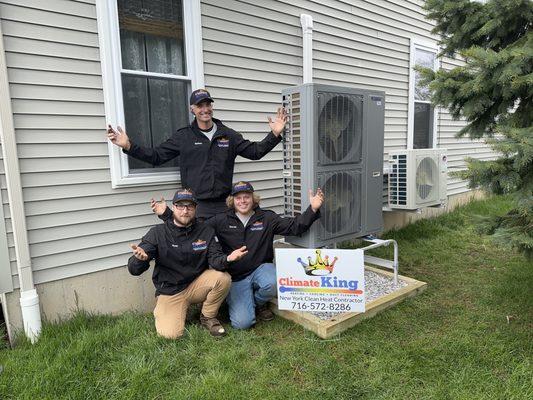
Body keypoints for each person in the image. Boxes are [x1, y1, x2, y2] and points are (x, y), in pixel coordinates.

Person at [152, 182, 324, 330]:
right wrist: (167, 214)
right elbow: (193, 226)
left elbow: (294, 227)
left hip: (260, 270)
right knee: (243, 323)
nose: (242, 201)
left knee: (273, 280)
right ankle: (246, 303)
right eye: (238, 197)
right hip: (235, 278)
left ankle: (258, 303)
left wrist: (313, 209)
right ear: (232, 200)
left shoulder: (267, 218)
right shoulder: (220, 220)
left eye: (246, 197)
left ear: (253, 198)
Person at [107, 88, 287, 220]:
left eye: (208, 104)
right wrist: (129, 146)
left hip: (225, 205)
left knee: (227, 249)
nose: (205, 109)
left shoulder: (228, 134)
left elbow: (255, 152)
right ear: (192, 109)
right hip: (197, 206)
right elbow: (156, 156)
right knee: (201, 251)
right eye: (199, 105)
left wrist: (275, 134)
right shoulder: (183, 136)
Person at [128, 188, 247, 338]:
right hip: (171, 291)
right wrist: (140, 260)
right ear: (173, 208)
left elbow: (215, 260)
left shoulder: (205, 231)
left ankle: (207, 316)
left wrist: (228, 259)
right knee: (170, 335)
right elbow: (134, 269)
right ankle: (166, 309)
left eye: (190, 206)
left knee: (223, 278)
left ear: (195, 209)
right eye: (180, 206)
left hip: (196, 285)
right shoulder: (157, 233)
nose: (185, 211)